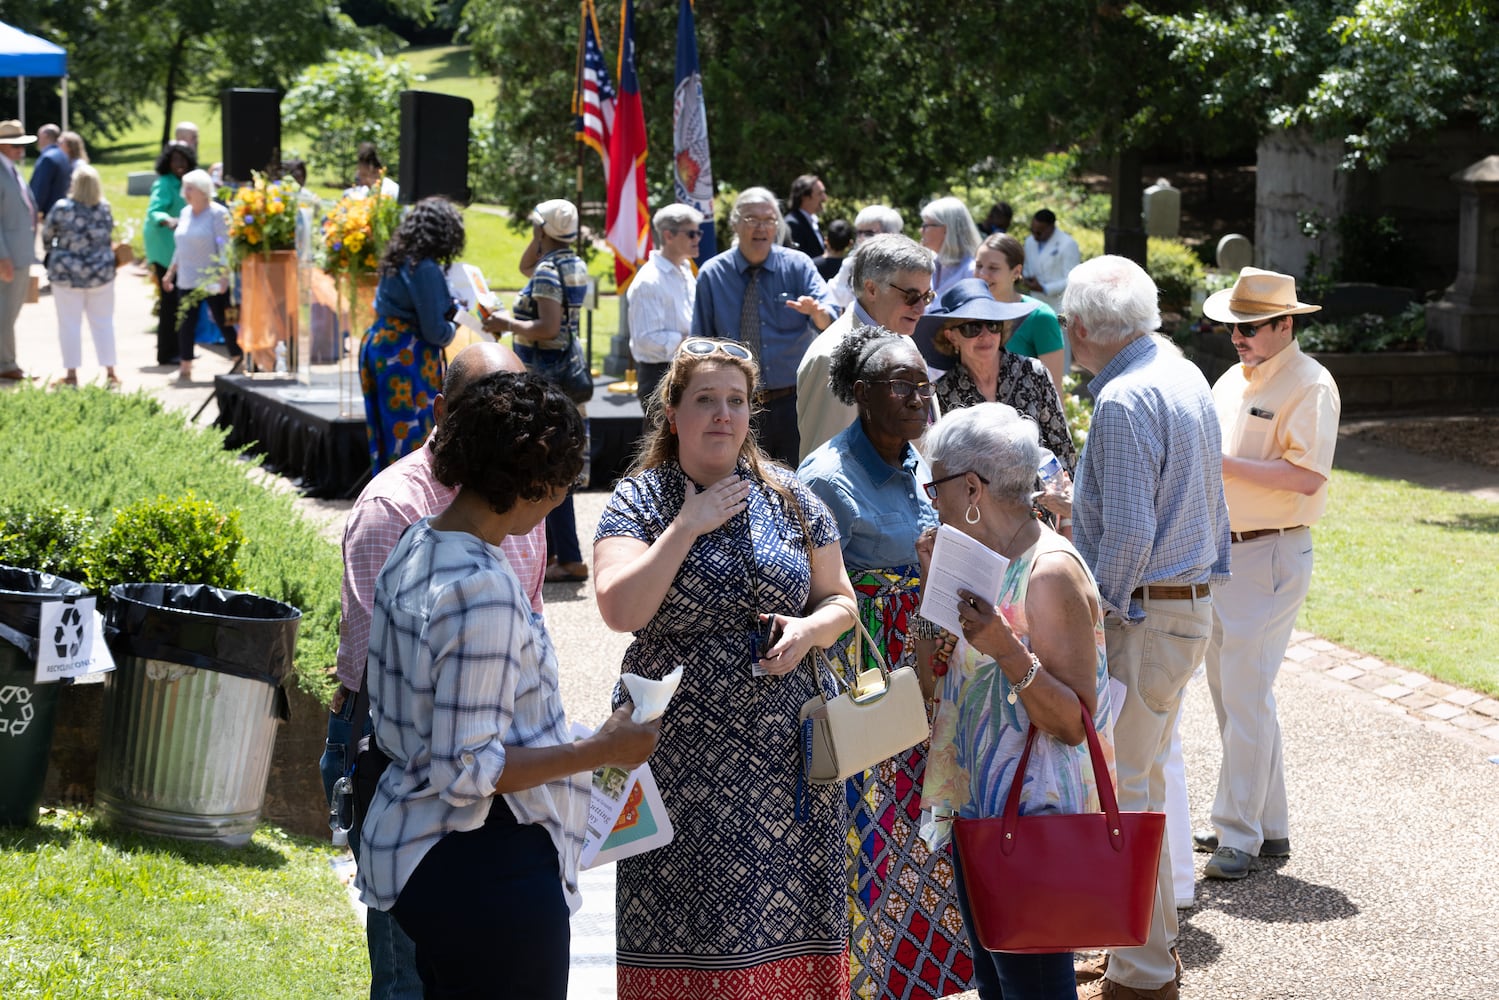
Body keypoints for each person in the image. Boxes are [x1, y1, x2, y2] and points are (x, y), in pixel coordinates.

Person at [356, 369, 660, 999]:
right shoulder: (481, 588)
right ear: (535, 482)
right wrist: (601, 750)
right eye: (567, 483)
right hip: (483, 864)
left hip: (425, 853)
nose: (564, 501)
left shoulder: (418, 542)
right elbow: (468, 769)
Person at [593, 337, 859, 1000]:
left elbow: (841, 601)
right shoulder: (639, 502)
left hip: (785, 757)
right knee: (689, 922)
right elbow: (620, 608)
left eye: (735, 402)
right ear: (672, 413)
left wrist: (808, 628)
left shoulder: (794, 499)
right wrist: (686, 524)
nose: (722, 415)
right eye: (705, 400)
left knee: (789, 912)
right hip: (677, 754)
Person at [322, 342, 546, 1000]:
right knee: (410, 972)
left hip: (493, 749)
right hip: (397, 753)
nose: (509, 430)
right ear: (442, 411)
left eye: (521, 412)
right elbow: (382, 672)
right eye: (489, 411)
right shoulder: (392, 509)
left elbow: (533, 629)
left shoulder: (519, 499)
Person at [1064, 255, 1230, 1000]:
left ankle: (1143, 970)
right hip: (1179, 606)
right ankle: (1140, 945)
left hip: (1150, 614)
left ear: (1080, 329)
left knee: (1129, 792)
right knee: (1142, 785)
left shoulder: (1125, 399)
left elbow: (1128, 530)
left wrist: (1091, 611)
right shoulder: (1180, 370)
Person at [917, 401, 1116, 1000]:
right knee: (998, 986)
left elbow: (1076, 724)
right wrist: (937, 594)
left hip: (1033, 818)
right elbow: (932, 682)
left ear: (972, 487)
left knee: (1035, 990)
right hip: (982, 807)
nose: (932, 500)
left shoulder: (1048, 573)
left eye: (936, 486)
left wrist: (1006, 648)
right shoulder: (982, 561)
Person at [796, 328, 973, 1000]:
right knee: (869, 833)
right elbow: (819, 592)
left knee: (931, 826)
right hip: (869, 686)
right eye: (901, 383)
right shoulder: (825, 478)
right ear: (861, 394)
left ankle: (925, 977)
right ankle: (864, 981)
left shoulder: (918, 463)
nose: (918, 394)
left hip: (932, 678)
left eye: (923, 382)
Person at [1194, 268, 1340, 881]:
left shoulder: (1311, 385)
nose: (1238, 338)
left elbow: (1307, 477)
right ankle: (1266, 823)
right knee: (1234, 691)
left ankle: (1240, 833)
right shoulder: (1233, 378)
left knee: (1245, 692)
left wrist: (1222, 463)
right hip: (1226, 550)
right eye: (1232, 327)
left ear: (1287, 324)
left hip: (1270, 550)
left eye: (1250, 327)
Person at [483, 198, 591, 583]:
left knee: (547, 467)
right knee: (559, 463)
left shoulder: (548, 270)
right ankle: (563, 554)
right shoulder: (570, 262)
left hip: (546, 377)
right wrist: (544, 234)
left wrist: (506, 323)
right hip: (568, 375)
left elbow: (546, 327)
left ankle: (564, 557)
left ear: (544, 228)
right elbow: (525, 266)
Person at [692, 187, 838, 467]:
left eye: (769, 220)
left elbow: (829, 318)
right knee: (736, 484)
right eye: (751, 219)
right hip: (732, 404)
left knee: (796, 486)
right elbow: (699, 346)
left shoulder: (798, 266)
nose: (761, 227)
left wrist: (817, 313)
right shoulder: (713, 274)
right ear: (735, 223)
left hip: (793, 402)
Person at [795, 233, 935, 460]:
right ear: (871, 289)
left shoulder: (902, 338)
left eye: (927, 297)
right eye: (911, 296)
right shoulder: (831, 358)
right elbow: (824, 471)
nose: (921, 308)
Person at [916, 279, 1076, 477]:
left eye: (992, 325)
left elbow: (1061, 446)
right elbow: (942, 467)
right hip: (977, 506)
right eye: (972, 328)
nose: (985, 335)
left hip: (1040, 501)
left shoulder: (1033, 372)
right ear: (951, 336)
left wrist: (1063, 500)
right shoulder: (943, 392)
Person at [360, 197, 463, 474]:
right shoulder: (424, 267)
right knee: (412, 434)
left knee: (388, 431)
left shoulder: (398, 258)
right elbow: (435, 331)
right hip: (405, 356)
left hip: (380, 346)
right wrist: (457, 326)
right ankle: (410, 504)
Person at [41, 164, 118, 388]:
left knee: (69, 324)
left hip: (67, 273)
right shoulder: (104, 207)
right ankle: (111, 372)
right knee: (103, 322)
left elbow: (47, 235)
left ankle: (72, 374)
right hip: (101, 273)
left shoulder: (62, 207)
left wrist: (53, 252)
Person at [161, 169, 239, 384]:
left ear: (203, 191)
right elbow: (180, 246)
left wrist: (224, 276)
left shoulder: (218, 214)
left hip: (211, 277)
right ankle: (185, 367)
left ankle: (238, 359)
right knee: (185, 323)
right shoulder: (185, 213)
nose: (185, 192)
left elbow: (226, 247)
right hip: (187, 277)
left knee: (224, 321)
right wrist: (170, 272)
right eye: (185, 188)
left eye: (190, 188)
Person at [628, 202, 703, 405]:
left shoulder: (685, 269)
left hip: (687, 368)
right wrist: (691, 342)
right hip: (659, 375)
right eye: (691, 234)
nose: (697, 238)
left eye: (698, 233)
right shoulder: (649, 281)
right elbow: (646, 340)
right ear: (668, 236)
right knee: (661, 436)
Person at [973, 232, 1067, 392]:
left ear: (1016, 272)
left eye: (993, 268)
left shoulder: (1040, 317)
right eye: (979, 266)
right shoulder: (967, 312)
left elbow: (1054, 391)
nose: (982, 274)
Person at [145, 141, 196, 367]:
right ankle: (166, 354)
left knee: (179, 302)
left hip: (179, 248)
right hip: (164, 248)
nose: (180, 165)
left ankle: (179, 350)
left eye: (183, 160)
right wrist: (168, 221)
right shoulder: (164, 184)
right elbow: (154, 210)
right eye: (175, 160)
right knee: (170, 302)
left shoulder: (186, 183)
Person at [0, 120, 37, 382]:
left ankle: (7, 361)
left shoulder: (11, 169)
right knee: (5, 312)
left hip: (19, 252)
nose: (20, 150)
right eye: (15, 145)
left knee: (9, 311)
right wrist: (3, 256)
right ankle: (6, 363)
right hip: (9, 255)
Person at [828, 205, 904, 309]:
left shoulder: (905, 264)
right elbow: (834, 297)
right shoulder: (851, 264)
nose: (861, 238)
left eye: (869, 233)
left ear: (891, 234)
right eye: (858, 233)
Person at [918, 197, 982, 305]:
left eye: (926, 225)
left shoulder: (972, 272)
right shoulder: (930, 264)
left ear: (946, 229)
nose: (921, 231)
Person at [1023, 209, 1081, 312]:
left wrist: (1045, 288)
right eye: (1032, 230)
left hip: (1057, 306)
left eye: (1039, 232)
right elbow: (1027, 266)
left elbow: (1071, 279)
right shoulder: (1030, 241)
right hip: (1034, 302)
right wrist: (1026, 279)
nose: (1035, 235)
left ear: (1051, 227)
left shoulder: (1068, 244)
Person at [29, 123, 71, 220]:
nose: (38, 141)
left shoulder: (47, 158)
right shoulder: (63, 155)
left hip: (49, 213)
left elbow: (41, 187)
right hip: (63, 210)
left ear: (45, 136)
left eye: (39, 137)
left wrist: (34, 211)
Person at [786, 173, 828, 257]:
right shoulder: (792, 224)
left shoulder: (812, 221)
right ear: (805, 197)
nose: (825, 198)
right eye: (820, 194)